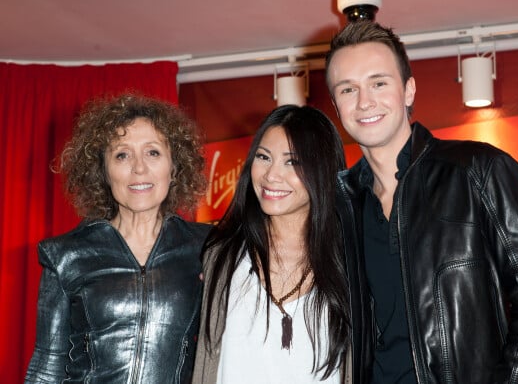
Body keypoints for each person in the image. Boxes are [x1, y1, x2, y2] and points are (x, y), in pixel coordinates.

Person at [325, 20, 518, 384]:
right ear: (335, 104)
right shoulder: (340, 203)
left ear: (408, 90)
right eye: (348, 89)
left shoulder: (479, 171)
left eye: (378, 82)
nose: (364, 102)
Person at [25, 93, 211, 383]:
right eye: (122, 154)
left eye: (153, 152)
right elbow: (47, 367)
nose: (139, 168)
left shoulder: (209, 248)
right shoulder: (66, 255)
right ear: (103, 171)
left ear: (174, 167)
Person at [192, 105, 351, 384]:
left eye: (292, 162)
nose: (271, 175)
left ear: (323, 171)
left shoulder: (352, 262)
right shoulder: (220, 256)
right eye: (263, 157)